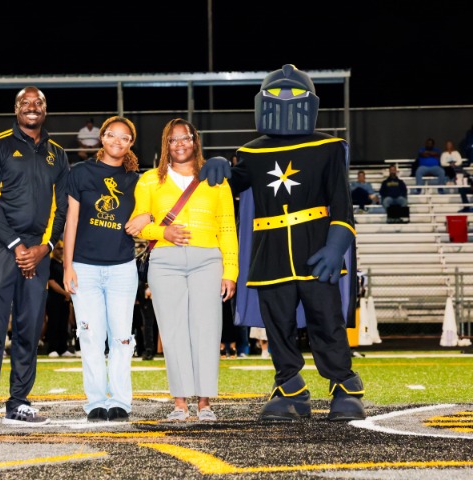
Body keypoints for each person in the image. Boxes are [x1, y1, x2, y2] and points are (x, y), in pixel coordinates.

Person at [200, 64, 366, 422]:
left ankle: (345, 387)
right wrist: (217, 164)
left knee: (327, 322)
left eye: (293, 93)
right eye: (277, 93)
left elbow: (342, 205)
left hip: (316, 249)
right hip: (270, 253)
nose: (285, 100)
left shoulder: (328, 147)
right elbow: (228, 188)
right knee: (277, 325)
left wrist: (336, 247)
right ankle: (290, 388)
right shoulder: (251, 152)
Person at [0, 86, 69, 428]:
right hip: (0, 247)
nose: (32, 106)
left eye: (38, 102)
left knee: (29, 330)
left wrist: (46, 247)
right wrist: (16, 245)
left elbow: (61, 207)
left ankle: (19, 403)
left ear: (45, 109)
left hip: (38, 252)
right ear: (16, 109)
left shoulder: (58, 154)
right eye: (25, 102)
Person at [130, 118, 238, 422]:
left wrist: (230, 270)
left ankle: (204, 403)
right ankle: (180, 403)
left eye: (186, 138)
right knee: (173, 331)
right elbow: (138, 226)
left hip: (208, 259)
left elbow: (227, 227)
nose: (180, 144)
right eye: (173, 139)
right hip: (165, 261)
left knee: (207, 329)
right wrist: (163, 232)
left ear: (195, 141)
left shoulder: (215, 178)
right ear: (166, 144)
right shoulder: (149, 180)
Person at [63, 115, 150, 423]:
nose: (117, 141)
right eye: (112, 135)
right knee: (90, 336)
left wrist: (148, 217)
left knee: (122, 338)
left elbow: (159, 206)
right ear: (102, 137)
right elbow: (71, 220)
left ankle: (120, 401)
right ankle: (96, 401)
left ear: (130, 144)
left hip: (122, 269)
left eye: (125, 138)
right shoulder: (80, 172)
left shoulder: (137, 180)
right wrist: (67, 266)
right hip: (84, 268)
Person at [44, 240, 73, 357]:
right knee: (54, 323)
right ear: (53, 250)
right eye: (58, 249)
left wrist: (68, 294)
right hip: (54, 299)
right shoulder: (50, 263)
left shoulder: (64, 265)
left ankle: (63, 348)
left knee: (64, 324)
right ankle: (52, 348)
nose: (61, 251)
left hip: (64, 299)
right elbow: (51, 282)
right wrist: (65, 293)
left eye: (62, 249)